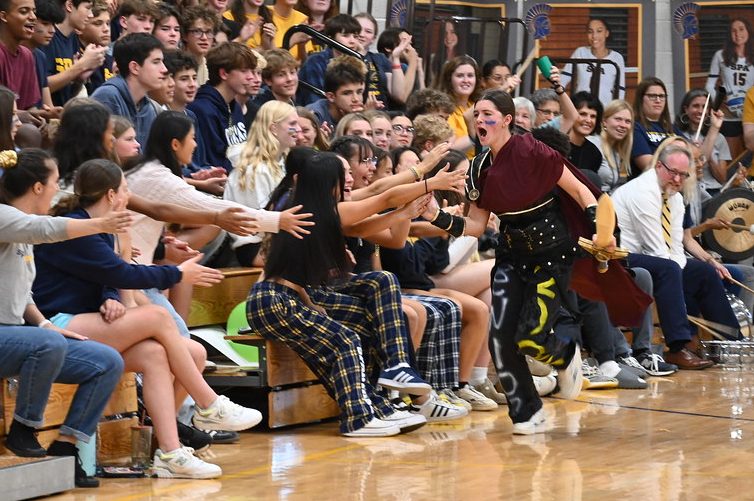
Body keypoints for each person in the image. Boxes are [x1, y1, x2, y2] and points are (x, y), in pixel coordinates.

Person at [32, 159, 265, 479]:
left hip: (83, 319)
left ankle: (170, 453)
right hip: (55, 322)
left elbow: (105, 280)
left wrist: (110, 299)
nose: (130, 196)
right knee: (156, 315)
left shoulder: (101, 228)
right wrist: (178, 272)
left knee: (180, 353)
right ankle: (210, 405)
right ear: (112, 195)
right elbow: (120, 272)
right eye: (126, 190)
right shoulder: (78, 228)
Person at [420, 89, 608, 434]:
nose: (479, 120)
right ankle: (527, 413)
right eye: (476, 114)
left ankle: (564, 353)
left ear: (507, 120)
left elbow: (582, 192)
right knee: (501, 338)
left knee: (531, 336)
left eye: (487, 114)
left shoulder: (536, 152)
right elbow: (475, 227)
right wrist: (435, 216)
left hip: (551, 254)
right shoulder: (478, 167)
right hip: (510, 256)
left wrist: (599, 229)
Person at [247, 150, 433, 437]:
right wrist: (430, 181)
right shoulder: (309, 214)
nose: (346, 182)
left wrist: (310, 304)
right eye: (340, 176)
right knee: (346, 341)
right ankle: (359, 418)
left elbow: (294, 274)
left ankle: (375, 406)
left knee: (356, 333)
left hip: (290, 297)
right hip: (273, 301)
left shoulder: (316, 212)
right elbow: (382, 197)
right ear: (328, 182)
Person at [0, 148, 129, 487]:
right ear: (38, 187)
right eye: (56, 182)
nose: (59, 189)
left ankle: (66, 445)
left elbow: (22, 295)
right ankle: (24, 430)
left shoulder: (22, 230)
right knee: (47, 342)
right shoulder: (4, 217)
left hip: (17, 336)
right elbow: (46, 229)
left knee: (106, 361)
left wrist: (43, 323)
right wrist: (101, 223)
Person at [612, 139, 740, 369]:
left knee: (703, 271)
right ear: (659, 166)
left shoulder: (676, 197)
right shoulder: (643, 191)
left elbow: (676, 246)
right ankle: (678, 347)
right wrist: (678, 275)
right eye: (673, 173)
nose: (678, 180)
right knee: (670, 268)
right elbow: (656, 249)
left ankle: (729, 343)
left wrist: (694, 267)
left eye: (684, 175)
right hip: (621, 255)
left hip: (655, 258)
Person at [225, 101, 300, 265]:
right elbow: (259, 221)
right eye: (293, 124)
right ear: (274, 128)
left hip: (276, 240)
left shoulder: (281, 162)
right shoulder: (254, 168)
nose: (299, 130)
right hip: (255, 248)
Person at [187, 41, 256, 172]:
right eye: (244, 71)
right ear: (224, 73)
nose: (251, 77)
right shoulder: (202, 110)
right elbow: (213, 161)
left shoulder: (234, 105)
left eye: (252, 71)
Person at [91, 33, 166, 148]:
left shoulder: (149, 108)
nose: (164, 69)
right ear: (134, 67)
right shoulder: (107, 97)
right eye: (156, 62)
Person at [705, 17, 754, 158]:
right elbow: (709, 85)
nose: (738, 34)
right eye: (733, 30)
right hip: (729, 116)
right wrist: (719, 102)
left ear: (748, 31)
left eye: (741, 29)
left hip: (750, 114)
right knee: (732, 159)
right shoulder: (720, 55)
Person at [674, 88, 730, 195]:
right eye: (696, 106)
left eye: (705, 107)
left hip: (713, 192)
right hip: (686, 191)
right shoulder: (677, 136)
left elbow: (722, 178)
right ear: (686, 109)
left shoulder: (719, 138)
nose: (700, 111)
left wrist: (709, 157)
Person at [560, 18, 626, 105]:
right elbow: (563, 80)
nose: (594, 36)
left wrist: (615, 110)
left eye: (599, 31)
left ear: (607, 33)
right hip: (581, 107)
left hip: (605, 109)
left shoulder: (617, 58)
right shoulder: (580, 52)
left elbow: (620, 89)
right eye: (590, 32)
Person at [588, 99, 634, 192]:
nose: (623, 125)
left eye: (627, 121)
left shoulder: (619, 150)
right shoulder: (592, 145)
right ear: (604, 121)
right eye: (618, 119)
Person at [631, 77, 674, 173]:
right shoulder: (635, 127)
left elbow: (698, 158)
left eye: (662, 96)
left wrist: (714, 127)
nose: (658, 100)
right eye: (652, 96)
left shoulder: (672, 128)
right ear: (641, 98)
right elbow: (648, 165)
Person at [568, 91, 604, 174]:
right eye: (583, 114)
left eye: (593, 116)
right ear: (570, 114)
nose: (588, 120)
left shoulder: (594, 154)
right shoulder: (557, 146)